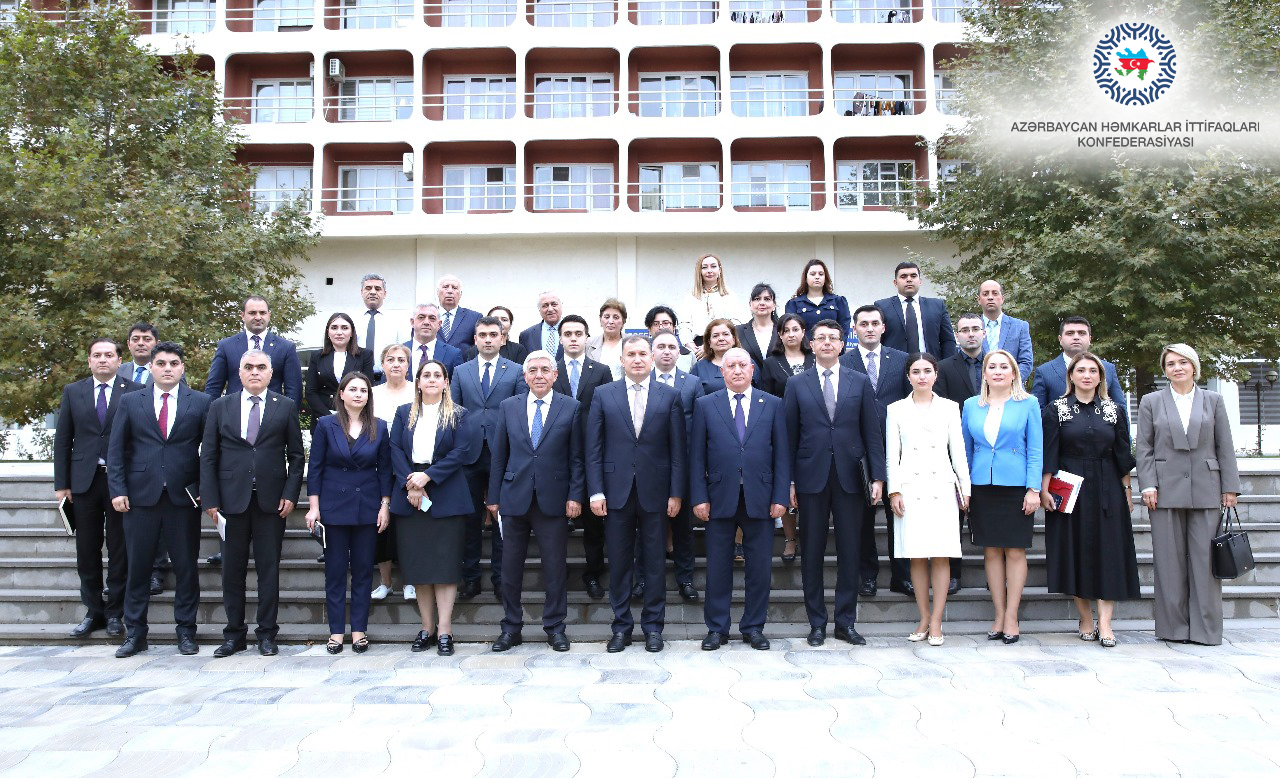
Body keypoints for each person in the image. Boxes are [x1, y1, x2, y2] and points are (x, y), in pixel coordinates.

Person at [783, 319, 885, 647]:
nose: (827, 343)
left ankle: (845, 621)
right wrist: (790, 481)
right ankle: (816, 623)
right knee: (811, 552)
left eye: (834, 338)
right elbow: (789, 437)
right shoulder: (797, 385)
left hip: (850, 479)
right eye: (821, 338)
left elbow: (872, 432)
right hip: (811, 478)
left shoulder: (859, 381)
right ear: (811, 345)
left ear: (843, 344)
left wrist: (879, 478)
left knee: (850, 552)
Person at [107, 342, 211, 657]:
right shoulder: (130, 401)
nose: (168, 368)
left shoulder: (202, 402)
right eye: (162, 363)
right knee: (137, 569)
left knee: (186, 568)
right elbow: (116, 450)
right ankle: (135, 634)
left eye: (174, 363)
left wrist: (205, 492)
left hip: (183, 499)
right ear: (151, 367)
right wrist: (118, 489)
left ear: (182, 368)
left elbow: (211, 453)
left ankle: (186, 633)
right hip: (139, 498)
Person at [200, 349, 305, 657]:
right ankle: (234, 635)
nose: (255, 372)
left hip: (272, 504)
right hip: (230, 503)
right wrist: (211, 499)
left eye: (261, 367)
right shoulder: (220, 407)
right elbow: (208, 457)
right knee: (231, 571)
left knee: (268, 570)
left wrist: (290, 494)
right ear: (239, 373)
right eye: (249, 367)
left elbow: (297, 457)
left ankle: (267, 635)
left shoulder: (285, 407)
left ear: (271, 374)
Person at [586, 335, 686, 654]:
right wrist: (595, 491)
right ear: (622, 359)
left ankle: (654, 628)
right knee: (618, 561)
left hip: (656, 492)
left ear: (653, 358)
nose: (638, 359)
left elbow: (677, 451)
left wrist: (676, 492)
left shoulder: (670, 396)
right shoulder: (603, 394)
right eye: (632, 354)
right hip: (615, 493)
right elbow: (594, 449)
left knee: (655, 561)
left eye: (644, 353)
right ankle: (621, 627)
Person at [1136, 343, 1240, 646]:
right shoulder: (1151, 402)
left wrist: (1229, 488)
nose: (1177, 368)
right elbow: (1144, 448)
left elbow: (1225, 446)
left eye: (1183, 362)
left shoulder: (1213, 400)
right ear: (1164, 369)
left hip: (1206, 488)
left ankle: (1206, 631)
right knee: (1168, 563)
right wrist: (1148, 485)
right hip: (1164, 491)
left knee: (1205, 564)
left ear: (1194, 366)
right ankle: (1173, 629)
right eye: (1170, 363)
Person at [689, 348, 789, 651]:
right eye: (730, 365)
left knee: (759, 568)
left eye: (742, 365)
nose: (736, 370)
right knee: (718, 567)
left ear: (753, 369)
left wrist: (781, 496)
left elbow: (782, 454)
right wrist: (699, 496)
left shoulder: (772, 404)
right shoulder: (705, 405)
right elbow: (696, 456)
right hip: (719, 496)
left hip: (760, 496)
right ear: (722, 371)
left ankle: (753, 627)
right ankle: (717, 629)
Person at [486, 351, 585, 652]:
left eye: (545, 369)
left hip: (553, 499)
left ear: (555, 375)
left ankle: (555, 627)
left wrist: (575, 495)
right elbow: (499, 455)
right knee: (510, 567)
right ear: (525, 376)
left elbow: (577, 458)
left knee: (554, 566)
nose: (539, 375)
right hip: (513, 498)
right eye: (533, 370)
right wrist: (493, 498)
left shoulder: (571, 407)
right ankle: (511, 627)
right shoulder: (508, 406)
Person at [1040, 352, 1138, 648]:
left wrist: (1127, 490)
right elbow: (1049, 453)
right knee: (1075, 550)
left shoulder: (1114, 410)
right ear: (1070, 376)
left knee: (1109, 552)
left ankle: (1105, 623)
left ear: (1100, 377)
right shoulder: (1055, 410)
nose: (1086, 375)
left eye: (1092, 371)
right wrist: (1045, 489)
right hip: (1068, 485)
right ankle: (1084, 617)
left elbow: (1123, 454)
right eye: (1080, 370)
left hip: (1107, 484)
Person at [54, 338, 144, 639]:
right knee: (87, 549)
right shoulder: (74, 391)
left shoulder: (135, 392)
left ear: (120, 360)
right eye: (97, 355)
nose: (103, 360)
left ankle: (116, 612)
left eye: (109, 355)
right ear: (89, 361)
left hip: (121, 482)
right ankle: (93, 611)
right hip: (84, 482)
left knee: (120, 549)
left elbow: (139, 440)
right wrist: (62, 483)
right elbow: (63, 439)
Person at [389, 360, 479, 655]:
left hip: (446, 493)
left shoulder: (459, 415)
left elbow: (461, 452)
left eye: (436, 375)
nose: (431, 379)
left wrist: (428, 477)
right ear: (417, 381)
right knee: (419, 567)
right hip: (410, 493)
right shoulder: (404, 413)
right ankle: (426, 627)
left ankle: (445, 629)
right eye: (425, 375)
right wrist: (411, 484)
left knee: (444, 566)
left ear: (445, 382)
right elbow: (395, 450)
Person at [885, 353, 970, 646]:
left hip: (942, 486)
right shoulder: (895, 409)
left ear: (936, 375)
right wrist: (894, 490)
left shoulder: (949, 408)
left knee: (941, 554)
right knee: (917, 556)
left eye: (927, 371)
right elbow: (891, 454)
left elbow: (957, 450)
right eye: (916, 371)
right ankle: (923, 616)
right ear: (908, 376)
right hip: (911, 488)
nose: (922, 376)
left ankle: (937, 620)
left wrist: (965, 487)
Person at [305, 371, 393, 654]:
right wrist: (314, 507)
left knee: (364, 571)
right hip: (333, 507)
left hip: (367, 507)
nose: (358, 394)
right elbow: (315, 468)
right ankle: (335, 632)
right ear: (341, 394)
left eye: (363, 390)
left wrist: (384, 505)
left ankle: (358, 630)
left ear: (369, 396)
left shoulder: (379, 427)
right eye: (352, 389)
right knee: (335, 572)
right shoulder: (325, 425)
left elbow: (385, 471)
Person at [961, 349, 1042, 645]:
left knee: (1016, 551)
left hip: (1016, 485)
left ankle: (1012, 615)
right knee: (991, 551)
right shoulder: (971, 405)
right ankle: (998, 614)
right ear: (984, 373)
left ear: (1013, 373)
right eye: (991, 366)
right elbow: (966, 451)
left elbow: (1035, 449)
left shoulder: (1028, 404)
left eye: (1003, 367)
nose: (997, 371)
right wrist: (965, 488)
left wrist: (1034, 489)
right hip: (982, 484)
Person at [451, 316, 528, 601]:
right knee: (470, 520)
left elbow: (520, 412)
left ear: (502, 338)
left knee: (501, 520)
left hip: (504, 454)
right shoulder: (460, 371)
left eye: (493, 334)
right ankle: (470, 578)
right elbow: (455, 414)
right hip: (469, 454)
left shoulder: (517, 371)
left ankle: (500, 579)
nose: (487, 339)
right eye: (482, 334)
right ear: (475, 338)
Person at [840, 304, 912, 598]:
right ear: (854, 330)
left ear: (883, 328)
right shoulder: (844, 362)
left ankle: (902, 575)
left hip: (897, 448)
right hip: (859, 450)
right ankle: (867, 575)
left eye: (874, 323)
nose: (869, 328)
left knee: (899, 513)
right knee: (864, 517)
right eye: (863, 324)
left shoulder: (903, 360)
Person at [552, 314, 613, 599]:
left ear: (587, 338)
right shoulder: (549, 371)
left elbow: (608, 412)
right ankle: (555, 576)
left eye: (579, 333)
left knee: (592, 522)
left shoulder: (601, 370)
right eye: (568, 333)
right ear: (561, 338)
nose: (573, 338)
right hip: (556, 453)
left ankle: (593, 573)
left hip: (592, 452)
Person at [117, 322, 174, 595]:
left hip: (157, 461)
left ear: (155, 344)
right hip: (127, 455)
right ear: (128, 344)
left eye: (147, 339)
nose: (141, 343)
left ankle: (156, 571)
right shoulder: (119, 372)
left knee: (160, 521)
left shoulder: (168, 372)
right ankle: (129, 572)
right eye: (136, 339)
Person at [647, 331, 704, 602]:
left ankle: (686, 579)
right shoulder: (640, 381)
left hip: (683, 465)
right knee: (648, 526)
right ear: (652, 351)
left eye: (672, 346)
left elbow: (701, 426)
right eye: (661, 346)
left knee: (683, 527)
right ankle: (643, 578)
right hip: (649, 467)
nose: (667, 351)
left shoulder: (692, 382)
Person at [933, 312, 987, 593]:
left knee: (988, 514)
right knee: (954, 517)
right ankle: (954, 572)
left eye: (975, 329)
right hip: (954, 451)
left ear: (984, 333)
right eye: (965, 330)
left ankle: (994, 573)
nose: (971, 334)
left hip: (990, 453)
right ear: (957, 335)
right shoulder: (943, 368)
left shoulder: (997, 364)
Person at [370, 344, 414, 602]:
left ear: (408, 366)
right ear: (382, 365)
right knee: (381, 526)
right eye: (390, 359)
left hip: (409, 464)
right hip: (377, 463)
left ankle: (410, 580)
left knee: (407, 526)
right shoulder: (373, 394)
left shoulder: (416, 392)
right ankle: (385, 582)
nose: (396, 364)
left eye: (401, 360)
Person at [204, 295, 303, 406]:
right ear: (242, 315)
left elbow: (294, 390)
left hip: (273, 417)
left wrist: (288, 417)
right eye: (252, 313)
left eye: (262, 313)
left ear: (269, 315)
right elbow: (213, 387)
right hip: (233, 416)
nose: (258, 317)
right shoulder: (226, 346)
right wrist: (211, 418)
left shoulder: (286, 347)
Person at [1031, 316, 1127, 421]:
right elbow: (1037, 414)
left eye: (1082, 333)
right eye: (1070, 333)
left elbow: (1121, 409)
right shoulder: (1044, 372)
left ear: (1090, 339)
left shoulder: (1107, 369)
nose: (1076, 337)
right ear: (1060, 339)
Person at [305, 312, 375, 426]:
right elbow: (310, 392)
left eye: (344, 328)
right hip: (323, 418)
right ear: (328, 332)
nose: (339, 332)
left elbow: (368, 388)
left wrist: (350, 417)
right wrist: (328, 417)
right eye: (334, 328)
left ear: (352, 332)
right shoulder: (317, 356)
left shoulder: (365, 355)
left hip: (355, 419)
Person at [875, 261, 956, 359]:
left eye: (913, 276)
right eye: (903, 276)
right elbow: (877, 341)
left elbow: (948, 340)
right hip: (894, 368)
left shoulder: (938, 306)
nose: (909, 279)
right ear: (895, 283)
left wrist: (945, 367)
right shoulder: (882, 307)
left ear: (920, 281)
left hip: (930, 369)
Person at [678, 254, 743, 358]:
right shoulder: (690, 298)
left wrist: (709, 347)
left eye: (713, 266)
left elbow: (735, 325)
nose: (709, 270)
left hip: (723, 347)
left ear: (719, 270)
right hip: (697, 350)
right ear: (699, 271)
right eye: (704, 267)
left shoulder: (730, 296)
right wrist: (692, 348)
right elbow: (684, 326)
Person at [977, 280, 1033, 380]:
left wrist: (1010, 382)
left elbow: (1026, 362)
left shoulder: (1020, 326)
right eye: (985, 294)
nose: (990, 297)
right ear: (979, 299)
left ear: (1002, 299)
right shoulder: (972, 328)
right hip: (979, 391)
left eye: (995, 293)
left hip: (1013, 390)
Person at [785, 259, 852, 341]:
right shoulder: (794, 304)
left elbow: (844, 330)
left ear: (825, 278)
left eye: (821, 274)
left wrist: (839, 350)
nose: (817, 277)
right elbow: (792, 332)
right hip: (805, 352)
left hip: (832, 351)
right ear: (806, 278)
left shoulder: (838, 301)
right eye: (812, 274)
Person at [358, 273, 403, 384]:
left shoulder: (397, 321)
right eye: (368, 288)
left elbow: (402, 351)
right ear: (361, 292)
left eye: (378, 289)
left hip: (387, 381)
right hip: (357, 380)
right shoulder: (351, 321)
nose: (373, 292)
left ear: (384, 294)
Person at [760, 313, 814, 398]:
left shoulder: (816, 359)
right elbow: (767, 397)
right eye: (786, 331)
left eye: (795, 330)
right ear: (780, 335)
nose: (791, 335)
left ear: (803, 332)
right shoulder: (770, 363)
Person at [405, 302, 463, 379]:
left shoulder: (453, 354)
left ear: (439, 324)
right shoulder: (400, 351)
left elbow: (457, 387)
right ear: (412, 322)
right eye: (421, 317)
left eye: (432, 318)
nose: (426, 322)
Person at [690, 318, 743, 395]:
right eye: (715, 336)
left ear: (734, 339)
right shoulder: (699, 368)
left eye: (725, 334)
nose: (721, 339)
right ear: (709, 342)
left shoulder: (747, 363)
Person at [462, 305, 528, 365]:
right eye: (495, 319)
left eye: (504, 320)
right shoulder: (473, 351)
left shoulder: (518, 350)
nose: (499, 322)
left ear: (510, 325)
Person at [736, 283, 779, 369]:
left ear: (774, 305)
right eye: (757, 299)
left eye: (767, 299)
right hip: (750, 381)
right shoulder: (738, 331)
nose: (762, 303)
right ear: (750, 304)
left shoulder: (783, 329)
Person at [586, 298, 629, 379]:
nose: (611, 321)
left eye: (616, 317)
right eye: (606, 317)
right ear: (600, 320)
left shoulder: (632, 343)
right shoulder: (589, 343)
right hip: (597, 390)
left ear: (623, 321)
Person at [436, 274, 481, 349]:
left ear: (460, 294)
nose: (450, 291)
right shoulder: (426, 317)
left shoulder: (474, 318)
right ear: (437, 292)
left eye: (454, 288)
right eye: (445, 287)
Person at [645, 304, 695, 372]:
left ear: (674, 327)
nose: (661, 327)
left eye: (665, 323)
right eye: (656, 324)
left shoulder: (688, 354)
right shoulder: (641, 353)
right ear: (649, 330)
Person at [518, 290, 564, 358]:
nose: (550, 309)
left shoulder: (573, 331)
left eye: (554, 304)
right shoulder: (526, 335)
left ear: (561, 306)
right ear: (539, 309)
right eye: (545, 306)